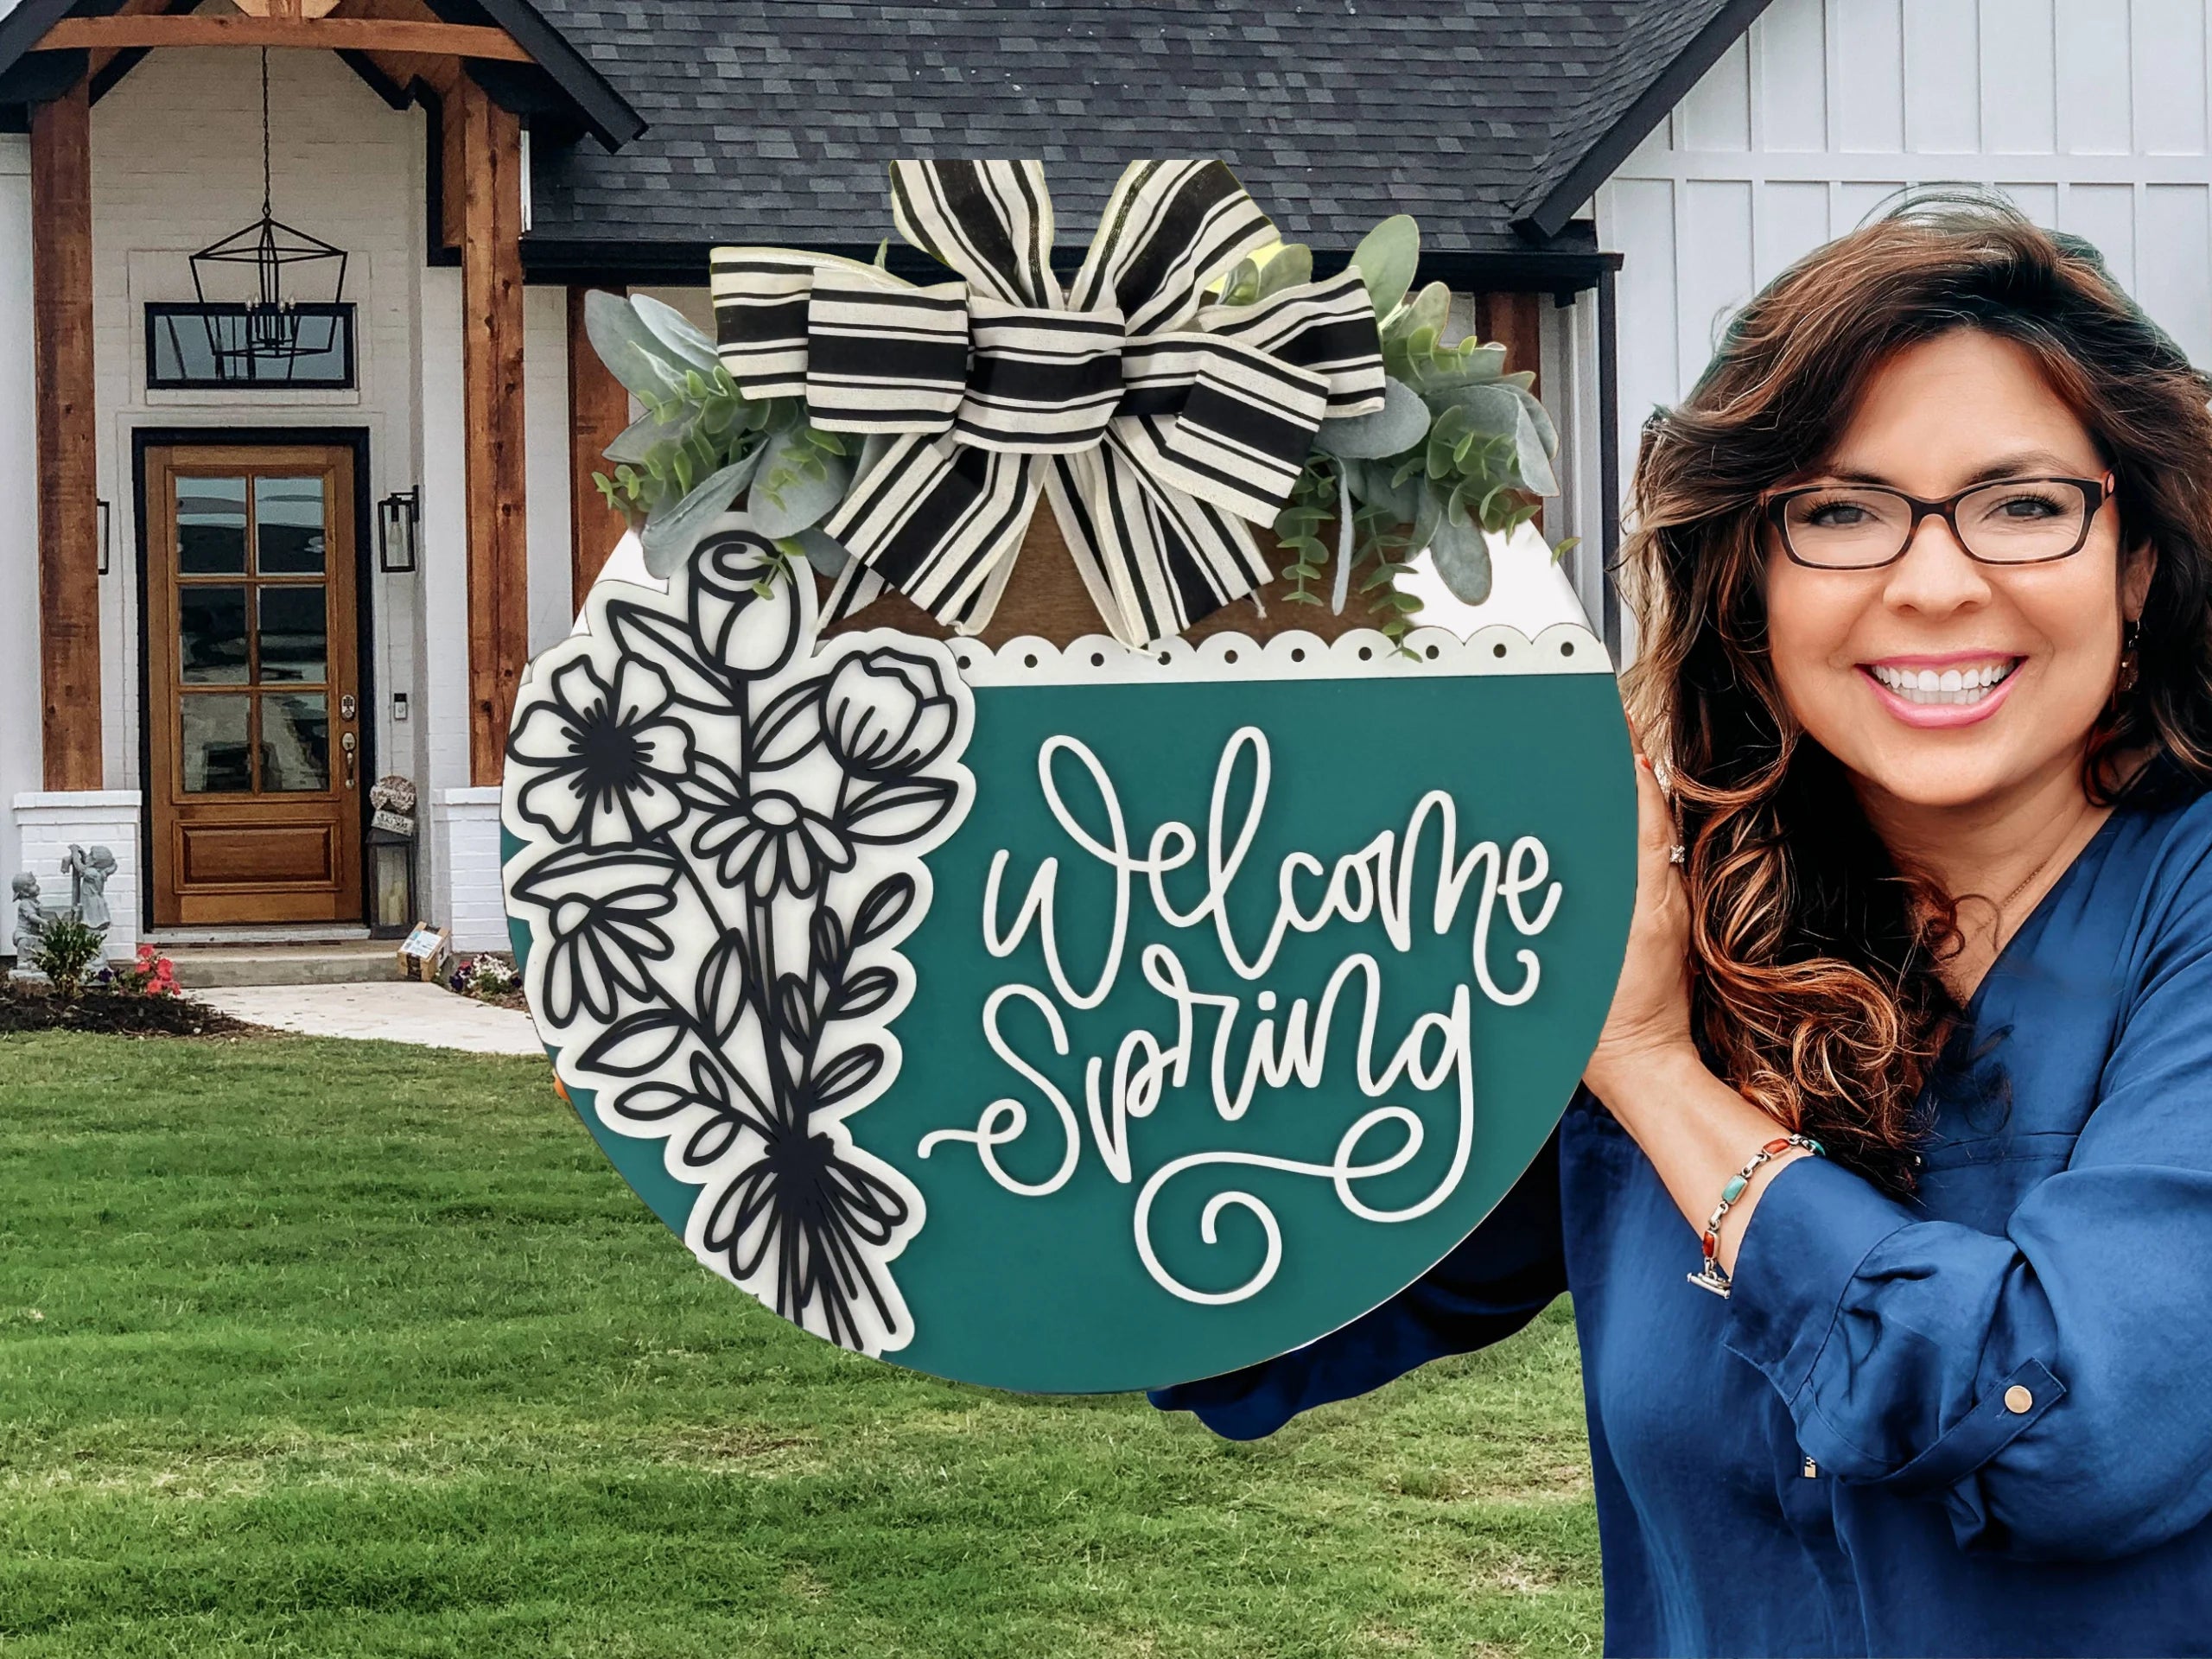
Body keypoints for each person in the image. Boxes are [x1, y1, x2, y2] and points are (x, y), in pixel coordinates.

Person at [1152, 194, 2212, 1657]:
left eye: (2024, 504)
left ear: (2137, 562)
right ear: (1751, 585)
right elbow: (1269, 1289)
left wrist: (1655, 1072)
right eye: (1839, 512)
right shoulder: (1670, 919)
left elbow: (2076, 1431)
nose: (1935, 580)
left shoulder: (2184, 919)